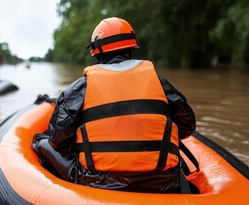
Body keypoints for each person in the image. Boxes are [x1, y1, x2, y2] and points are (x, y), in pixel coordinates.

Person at [32, 17, 196, 193]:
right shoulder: (159, 82)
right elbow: (187, 126)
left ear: (96, 52)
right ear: (131, 48)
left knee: (40, 141)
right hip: (162, 181)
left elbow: (59, 141)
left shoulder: (80, 88)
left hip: (96, 181)